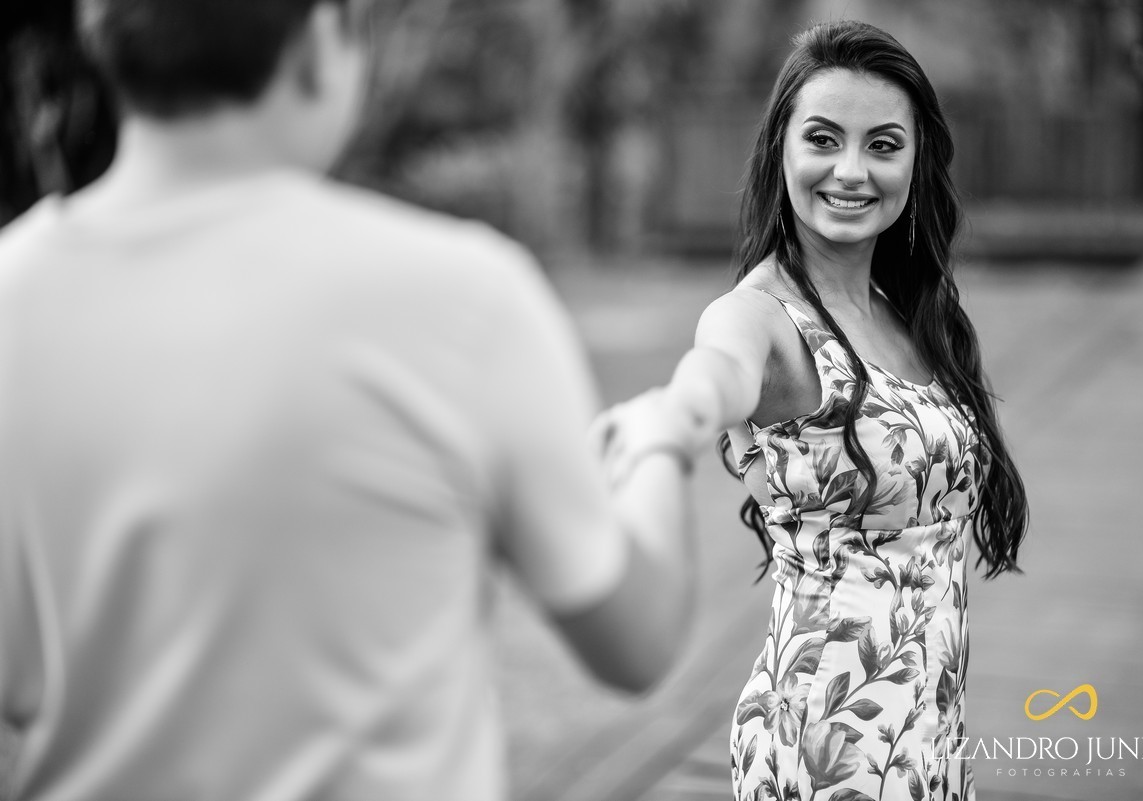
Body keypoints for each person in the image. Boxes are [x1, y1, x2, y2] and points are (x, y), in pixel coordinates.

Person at [0, 1, 703, 799]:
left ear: (106, 39)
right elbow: (635, 640)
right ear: (320, 41)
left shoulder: (11, 299)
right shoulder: (463, 295)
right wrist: (660, 442)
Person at [597, 19, 1030, 801]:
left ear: (916, 159)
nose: (851, 171)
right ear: (782, 152)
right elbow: (716, 373)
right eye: (824, 139)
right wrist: (669, 418)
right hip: (828, 746)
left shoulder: (902, 311)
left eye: (883, 144)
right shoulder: (761, 315)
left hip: (925, 728)